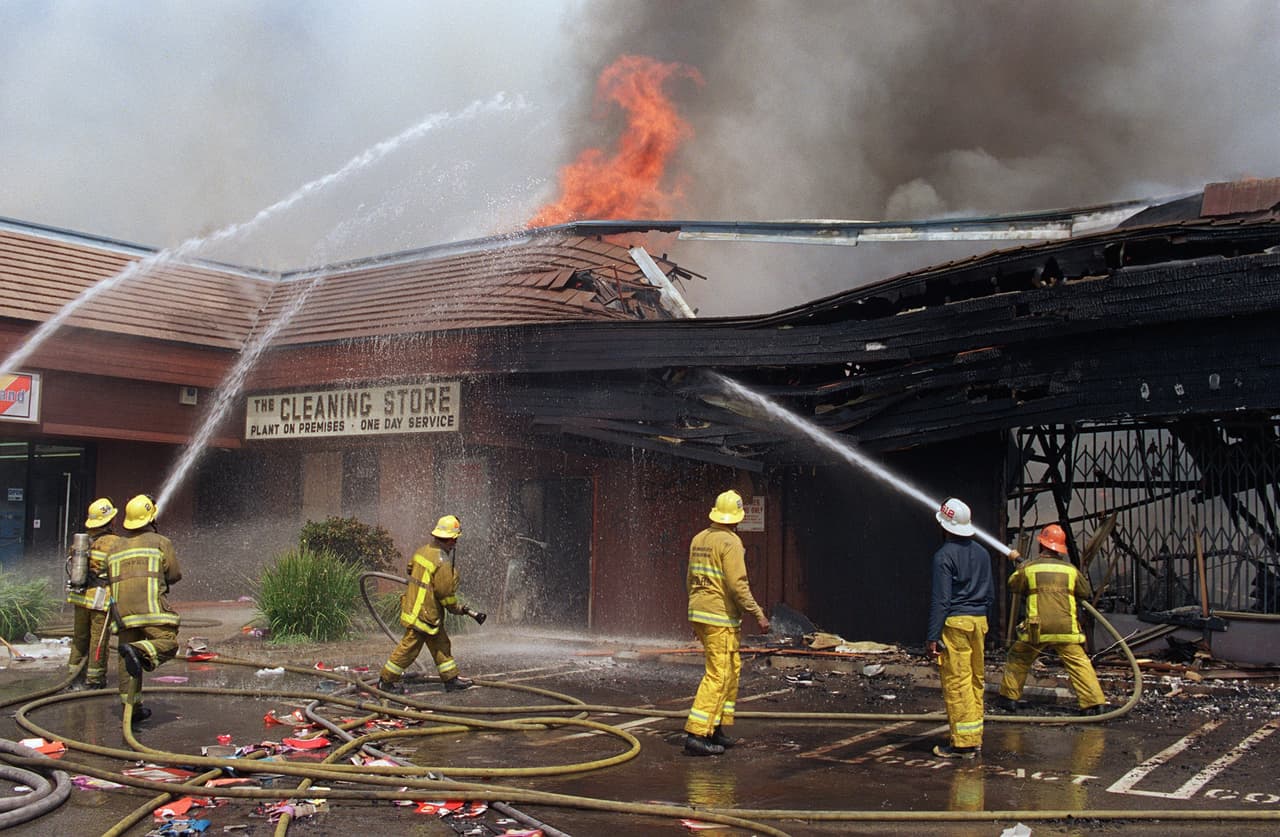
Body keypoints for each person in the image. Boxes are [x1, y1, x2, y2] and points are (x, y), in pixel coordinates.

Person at [683, 489, 770, 757]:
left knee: (730, 669)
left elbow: (690, 578)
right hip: (719, 617)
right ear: (737, 517)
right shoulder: (731, 542)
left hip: (702, 612)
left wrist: (696, 613)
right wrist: (758, 613)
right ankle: (697, 735)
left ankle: (715, 728)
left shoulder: (699, 538)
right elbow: (737, 585)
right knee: (719, 674)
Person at [994, 523, 1109, 716]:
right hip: (1066, 628)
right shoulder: (1071, 570)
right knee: (1079, 663)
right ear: (1060, 549)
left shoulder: (1029, 568)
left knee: (1018, 657)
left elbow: (1013, 585)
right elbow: (1085, 592)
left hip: (1037, 629)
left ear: (1041, 545)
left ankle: (1008, 699)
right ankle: (1095, 704)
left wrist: (1021, 565)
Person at [378, 514, 485, 694]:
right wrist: (457, 609)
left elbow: (410, 568)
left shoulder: (422, 551)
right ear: (451, 539)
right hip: (424, 614)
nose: (455, 543)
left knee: (441, 644)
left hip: (421, 610)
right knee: (409, 649)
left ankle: (450, 679)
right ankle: (386, 681)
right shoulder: (442, 562)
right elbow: (445, 594)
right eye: (455, 540)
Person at [926, 497, 994, 759]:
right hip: (979, 623)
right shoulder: (983, 552)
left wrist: (932, 636)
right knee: (976, 680)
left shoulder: (943, 556)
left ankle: (962, 744)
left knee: (958, 681)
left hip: (956, 624)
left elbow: (941, 600)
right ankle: (974, 738)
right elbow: (990, 595)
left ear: (944, 525)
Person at [106, 494, 182, 722]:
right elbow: (174, 575)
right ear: (151, 518)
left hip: (122, 614)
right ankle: (141, 651)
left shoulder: (115, 547)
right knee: (168, 643)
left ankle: (131, 709)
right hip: (151, 610)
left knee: (126, 657)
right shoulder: (161, 542)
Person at [65, 498, 121, 689]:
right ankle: (95, 680)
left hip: (80, 595)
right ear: (111, 520)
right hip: (99, 599)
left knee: (79, 638)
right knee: (98, 640)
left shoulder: (81, 541)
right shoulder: (115, 543)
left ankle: (73, 678)